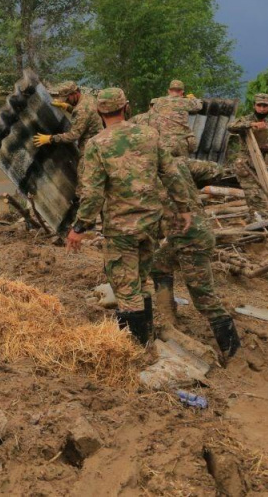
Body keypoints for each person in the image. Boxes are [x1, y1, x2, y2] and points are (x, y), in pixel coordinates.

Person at [66, 88, 192, 346]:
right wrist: (184, 207)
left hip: (121, 230)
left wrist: (79, 227)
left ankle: (133, 350)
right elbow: (171, 173)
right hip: (150, 225)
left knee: (126, 290)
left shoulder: (97, 144)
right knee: (142, 281)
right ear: (126, 108)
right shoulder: (149, 135)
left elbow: (92, 193)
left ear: (100, 112)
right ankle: (146, 339)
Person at [129, 111, 244, 365]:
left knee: (204, 299)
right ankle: (169, 320)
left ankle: (234, 355)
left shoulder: (155, 172)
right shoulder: (179, 164)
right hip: (183, 236)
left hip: (192, 239)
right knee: (159, 263)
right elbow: (214, 169)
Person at [227, 93, 268, 217]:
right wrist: (251, 125)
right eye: (259, 105)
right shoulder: (246, 120)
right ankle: (260, 221)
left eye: (265, 106)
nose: (262, 108)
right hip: (246, 166)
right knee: (254, 196)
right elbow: (230, 126)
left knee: (261, 195)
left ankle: (258, 220)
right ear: (254, 106)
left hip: (261, 166)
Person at [33, 81, 103, 156]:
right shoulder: (87, 98)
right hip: (98, 140)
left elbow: (73, 136)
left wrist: (50, 139)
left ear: (75, 93)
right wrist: (67, 107)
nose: (66, 101)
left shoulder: (82, 110)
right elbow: (85, 116)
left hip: (91, 148)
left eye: (67, 99)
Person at [149, 79, 203, 158]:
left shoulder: (159, 101)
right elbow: (199, 106)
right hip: (181, 143)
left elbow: (151, 115)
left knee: (164, 167)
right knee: (183, 167)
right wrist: (193, 98)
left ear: (169, 91)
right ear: (182, 92)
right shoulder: (186, 102)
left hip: (164, 144)